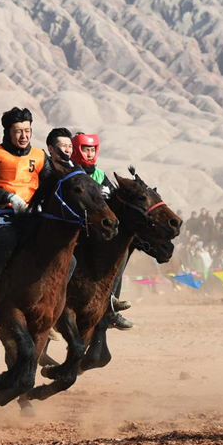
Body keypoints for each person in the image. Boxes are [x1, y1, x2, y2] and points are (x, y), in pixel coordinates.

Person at [0, 107, 51, 320]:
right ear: (8, 131)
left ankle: (54, 304)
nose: (24, 136)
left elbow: (52, 184)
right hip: (1, 213)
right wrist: (10, 198)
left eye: (28, 130)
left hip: (33, 215)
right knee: (7, 238)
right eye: (18, 131)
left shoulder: (40, 156)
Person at [70, 132, 132, 329]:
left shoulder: (100, 175)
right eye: (85, 149)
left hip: (95, 232)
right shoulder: (71, 173)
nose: (89, 154)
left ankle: (111, 303)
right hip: (73, 228)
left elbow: (112, 200)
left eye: (92, 150)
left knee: (121, 253)